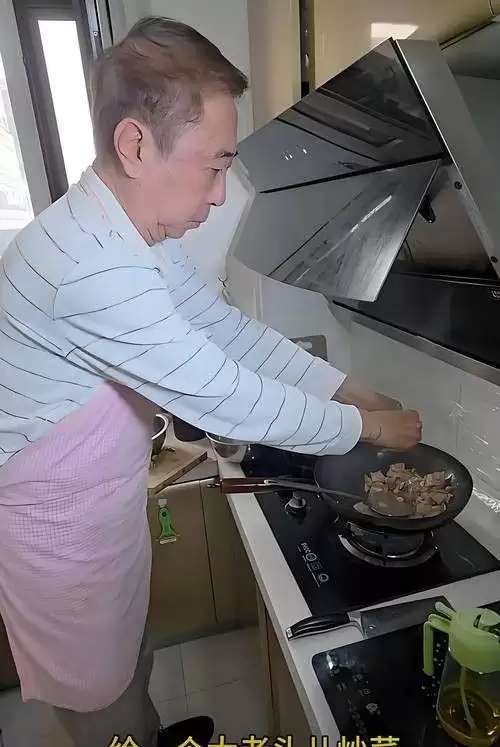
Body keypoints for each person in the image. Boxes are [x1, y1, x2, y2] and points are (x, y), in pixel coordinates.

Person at [0, 16, 422, 747]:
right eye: (216, 166)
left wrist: (345, 388)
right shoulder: (92, 265)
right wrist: (367, 427)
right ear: (137, 145)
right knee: (103, 702)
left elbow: (221, 328)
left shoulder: (128, 232)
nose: (222, 195)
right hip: (59, 536)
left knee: (131, 657)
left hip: (99, 508)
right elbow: (224, 393)